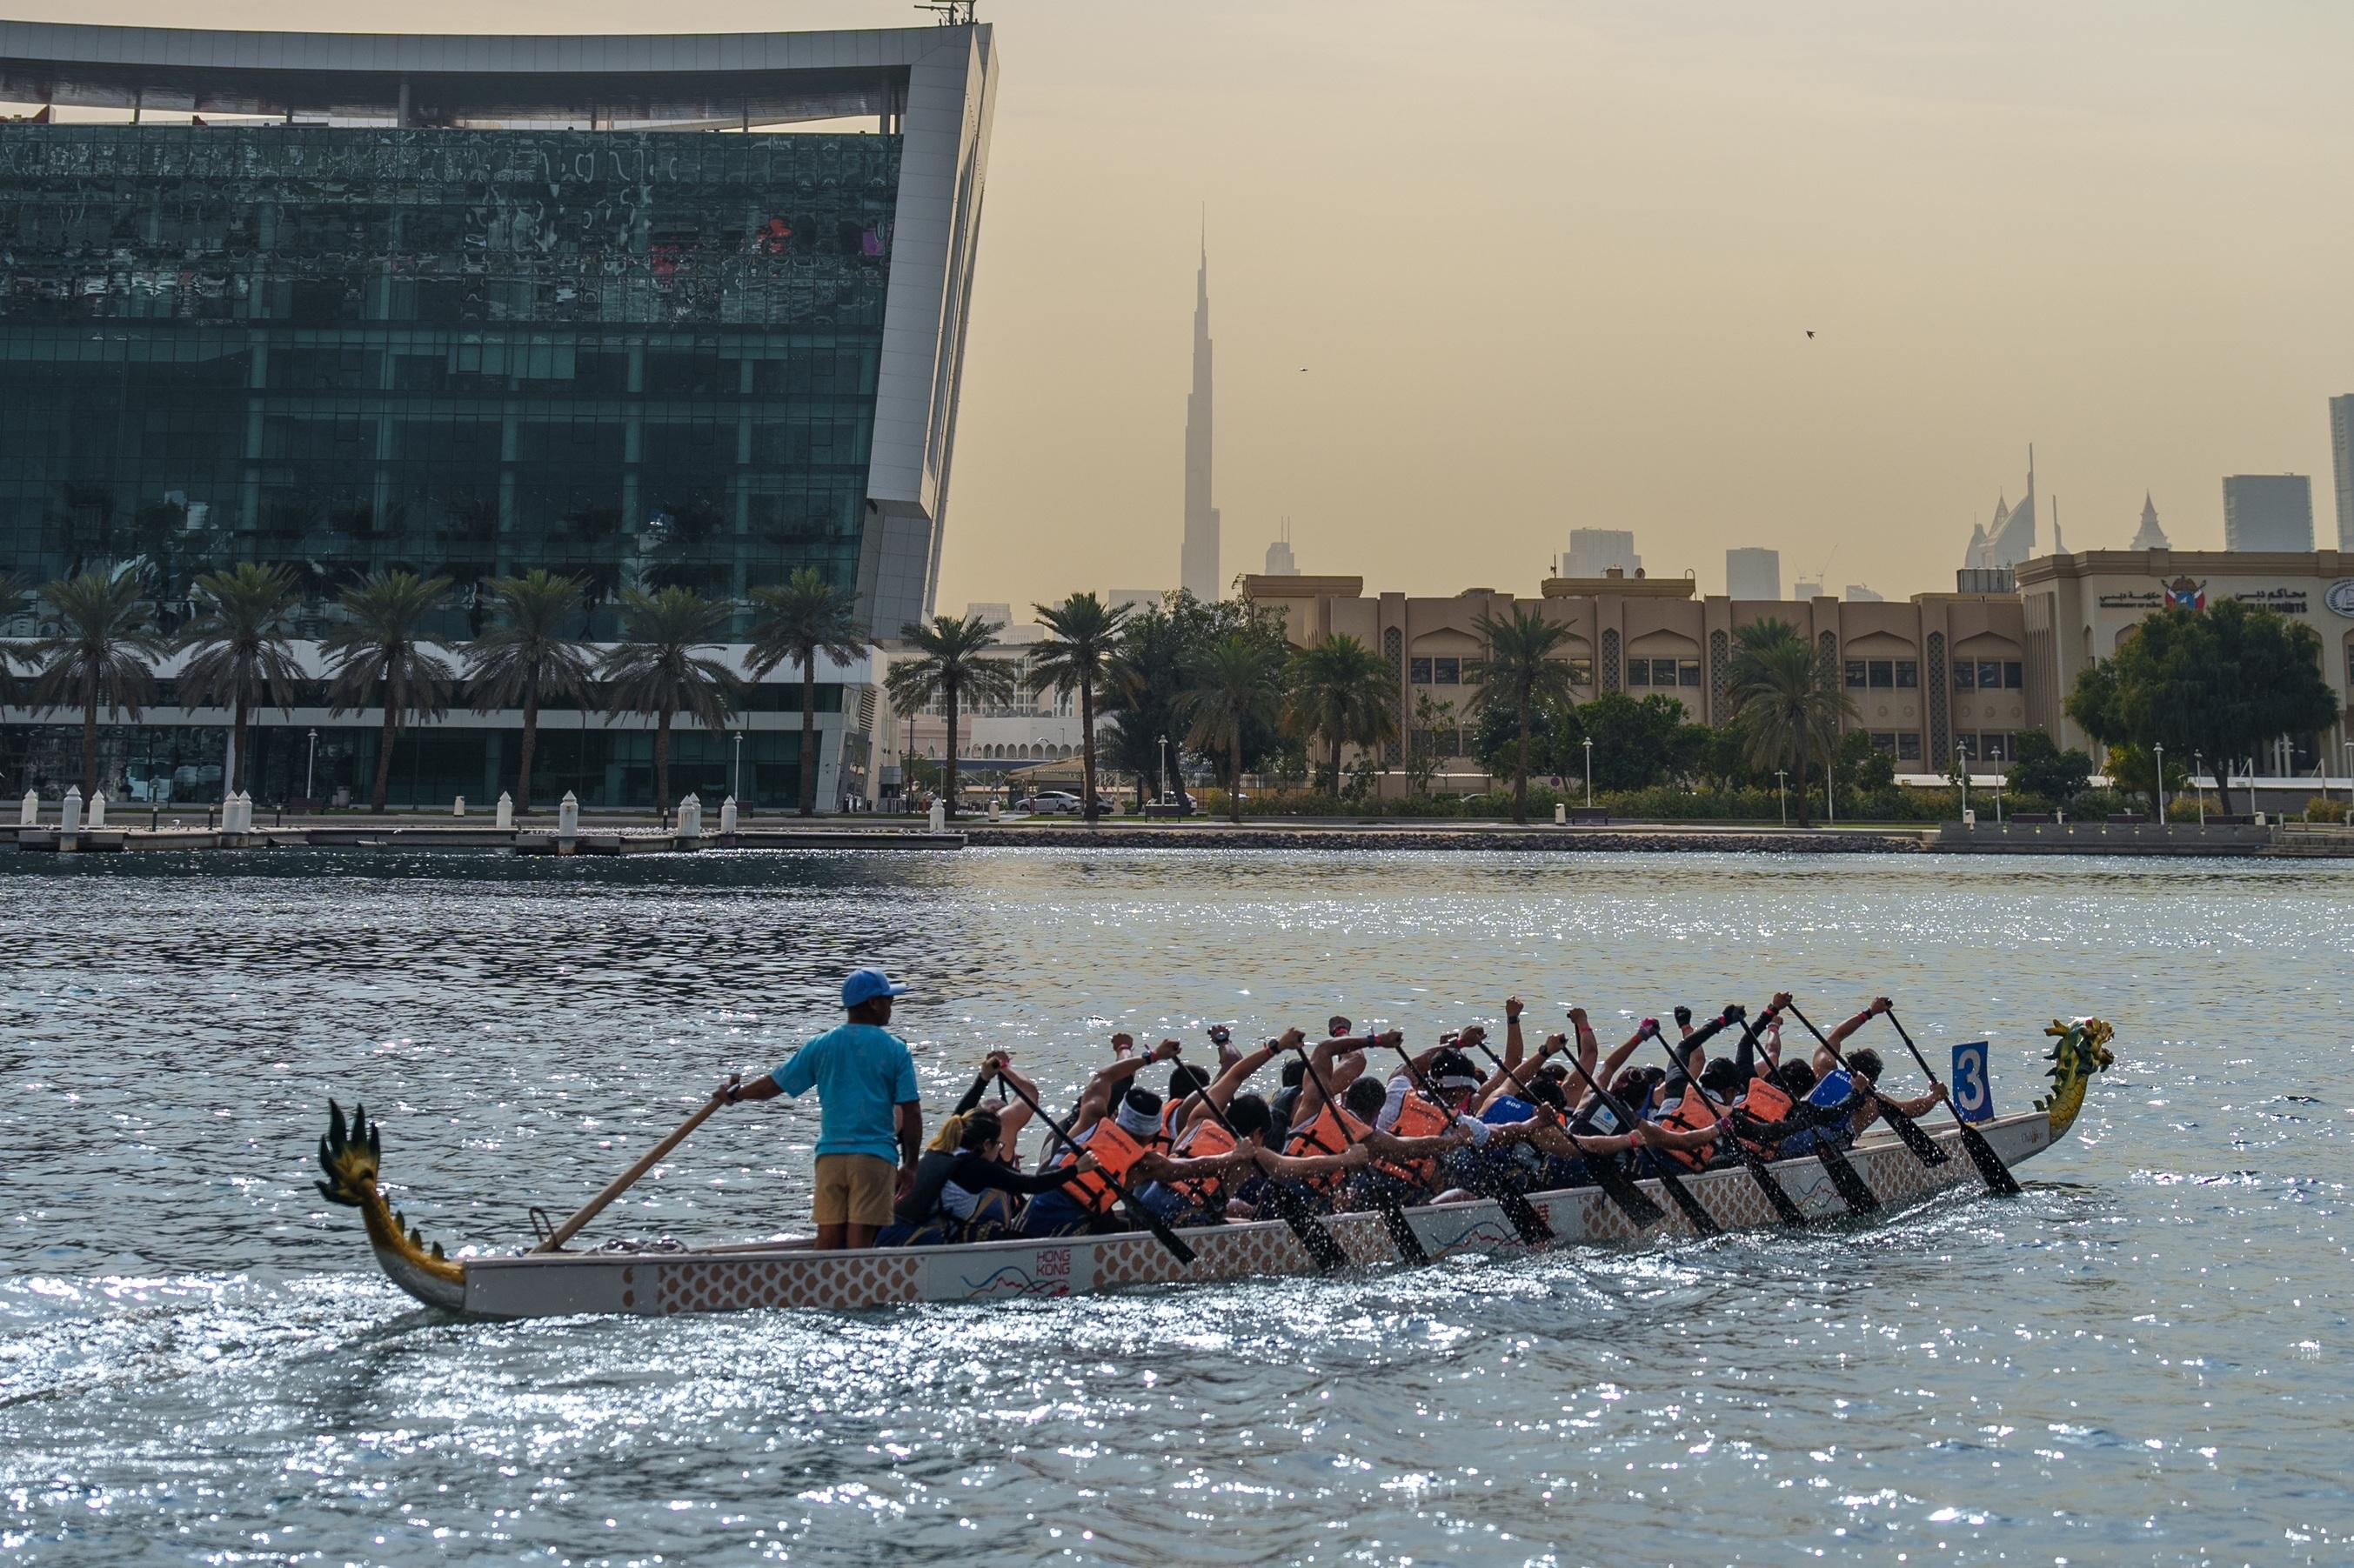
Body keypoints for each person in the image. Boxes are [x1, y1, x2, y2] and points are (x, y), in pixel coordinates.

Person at [722, 966, 922, 1251]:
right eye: (889, 999)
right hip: (873, 1158)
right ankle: (858, 1294)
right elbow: (911, 1112)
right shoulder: (895, 1049)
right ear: (873, 1003)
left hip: (831, 1159)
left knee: (827, 1242)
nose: (892, 1005)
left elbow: (772, 1086)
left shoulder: (821, 1045)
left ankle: (819, 1292)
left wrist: (737, 1094)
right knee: (860, 1245)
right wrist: (911, 1164)